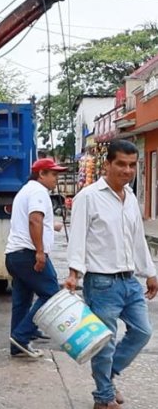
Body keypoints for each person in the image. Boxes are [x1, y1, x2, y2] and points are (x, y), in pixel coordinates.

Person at [65, 140, 158, 409]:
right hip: (102, 282)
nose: (127, 170)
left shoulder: (130, 198)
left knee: (142, 332)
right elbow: (78, 238)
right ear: (107, 164)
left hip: (129, 281)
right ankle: (104, 398)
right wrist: (74, 273)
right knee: (103, 343)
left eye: (132, 165)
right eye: (121, 164)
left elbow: (137, 238)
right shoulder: (88, 196)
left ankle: (107, 379)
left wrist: (150, 272)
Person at [4, 158, 67, 358]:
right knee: (52, 295)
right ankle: (23, 335)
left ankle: (18, 345)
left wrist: (52, 227)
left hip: (15, 255)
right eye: (54, 174)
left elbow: (36, 220)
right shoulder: (39, 191)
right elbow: (35, 220)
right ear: (41, 174)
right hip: (29, 254)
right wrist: (40, 252)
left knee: (22, 300)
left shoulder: (26, 190)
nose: (56, 179)